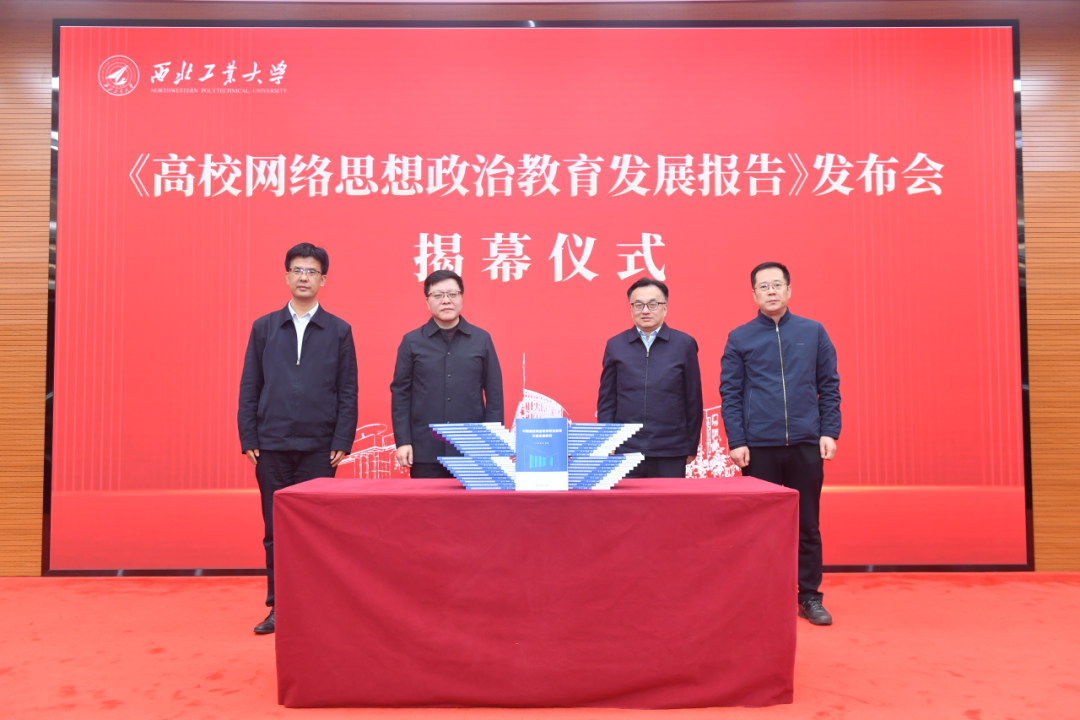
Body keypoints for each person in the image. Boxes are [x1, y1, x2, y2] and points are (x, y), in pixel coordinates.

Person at [238, 243, 358, 635]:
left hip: (319, 448)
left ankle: (316, 607)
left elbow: (348, 390)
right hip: (271, 445)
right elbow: (251, 386)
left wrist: (342, 438)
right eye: (297, 270)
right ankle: (280, 607)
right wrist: (248, 435)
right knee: (275, 531)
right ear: (287, 276)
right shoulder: (264, 327)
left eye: (312, 271)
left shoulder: (339, 330)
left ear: (323, 279)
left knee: (316, 532)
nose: (304, 277)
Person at [720, 262, 841, 626]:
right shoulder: (740, 337)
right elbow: (731, 393)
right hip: (759, 447)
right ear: (754, 294)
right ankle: (763, 596)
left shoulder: (813, 332)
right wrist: (737, 440)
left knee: (807, 524)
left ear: (789, 290)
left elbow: (829, 385)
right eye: (763, 286)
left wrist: (829, 431)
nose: (771, 291)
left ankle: (809, 596)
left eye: (777, 284)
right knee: (761, 527)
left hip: (805, 443)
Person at [391, 270, 504, 478]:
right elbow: (401, 395)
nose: (446, 301)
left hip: (472, 450)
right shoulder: (411, 341)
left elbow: (494, 395)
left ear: (461, 298)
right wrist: (403, 441)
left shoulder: (481, 339)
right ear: (427, 302)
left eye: (452, 294)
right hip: (424, 450)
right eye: (438, 295)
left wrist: (492, 443)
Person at [597, 277, 704, 478]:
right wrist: (606, 441)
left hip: (671, 449)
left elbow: (693, 399)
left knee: (669, 499)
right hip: (626, 448)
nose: (645, 311)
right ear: (631, 309)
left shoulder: (684, 344)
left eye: (653, 304)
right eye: (638, 305)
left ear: (665, 308)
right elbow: (607, 400)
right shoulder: (615, 345)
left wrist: (691, 445)